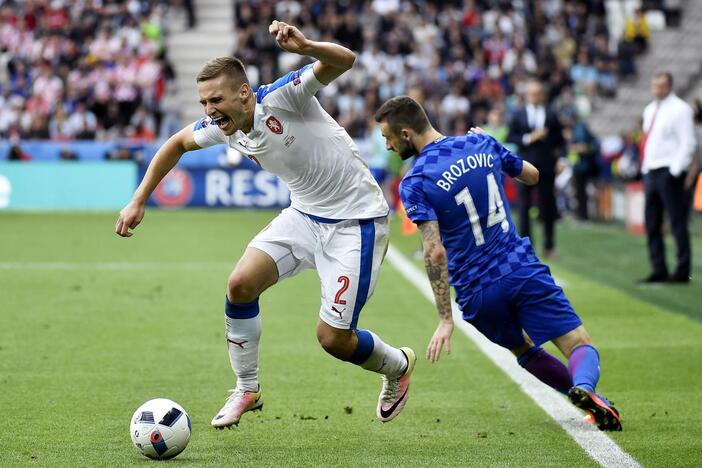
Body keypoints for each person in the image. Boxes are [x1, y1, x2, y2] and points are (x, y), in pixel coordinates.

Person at [115, 21, 416, 428]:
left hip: (355, 221)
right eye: (203, 102)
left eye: (216, 99)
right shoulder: (222, 127)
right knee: (239, 285)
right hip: (304, 214)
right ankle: (247, 387)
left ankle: (396, 365)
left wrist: (307, 46)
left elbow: (345, 60)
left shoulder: (283, 97)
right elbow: (175, 144)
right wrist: (138, 200)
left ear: (243, 93)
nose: (208, 110)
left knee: (333, 340)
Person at [374, 95, 622, 431]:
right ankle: (585, 387)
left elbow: (434, 252)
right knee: (578, 343)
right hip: (518, 268)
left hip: (476, 295)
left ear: (406, 134)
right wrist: (493, 145)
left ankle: (585, 398)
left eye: (388, 137)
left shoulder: (415, 181)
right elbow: (533, 176)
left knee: (524, 350)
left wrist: (445, 319)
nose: (387, 145)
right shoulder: (482, 142)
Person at [639, 72, 696, 284]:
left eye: (662, 86)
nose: (658, 90)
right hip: (651, 171)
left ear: (670, 86)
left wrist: (675, 171)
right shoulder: (650, 109)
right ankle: (658, 268)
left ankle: (682, 270)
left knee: (677, 222)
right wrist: (645, 167)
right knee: (652, 223)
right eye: (655, 86)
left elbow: (687, 142)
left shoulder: (680, 109)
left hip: (668, 171)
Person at [507, 80, 564, 258]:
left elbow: (560, 140)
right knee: (523, 208)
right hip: (524, 167)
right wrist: (529, 137)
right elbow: (511, 136)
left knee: (548, 207)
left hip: (547, 166)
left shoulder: (551, 114)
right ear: (526, 95)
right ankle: (526, 247)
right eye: (532, 93)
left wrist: (561, 159)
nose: (535, 96)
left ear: (543, 95)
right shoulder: (518, 114)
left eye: (538, 93)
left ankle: (549, 246)